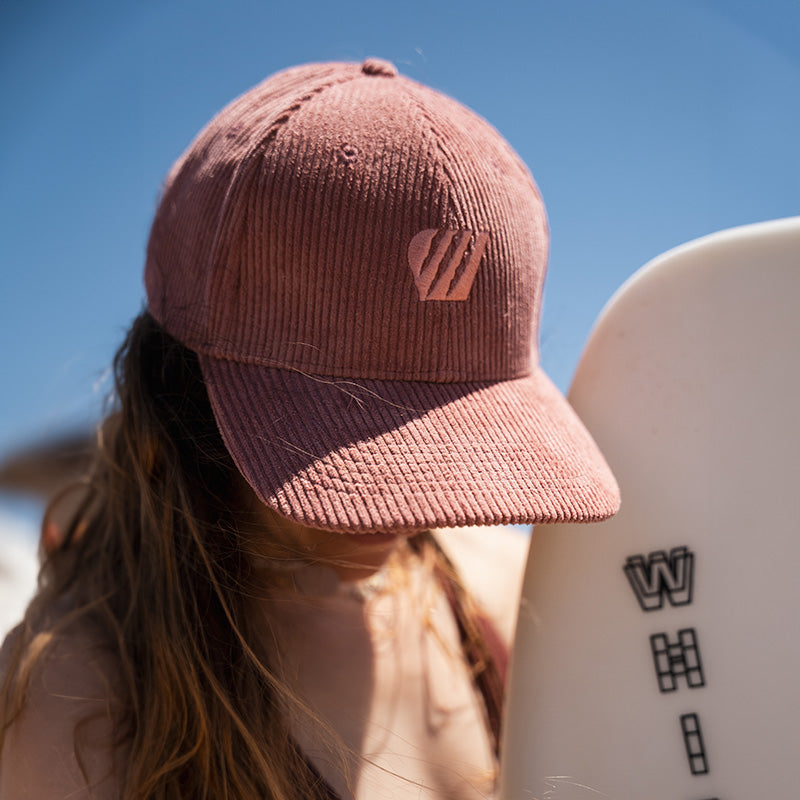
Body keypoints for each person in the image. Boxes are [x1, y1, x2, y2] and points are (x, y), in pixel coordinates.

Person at [0, 58, 619, 799]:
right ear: (180, 384)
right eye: (355, 436)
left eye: (449, 440)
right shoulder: (76, 707)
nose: (408, 504)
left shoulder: (500, 585)